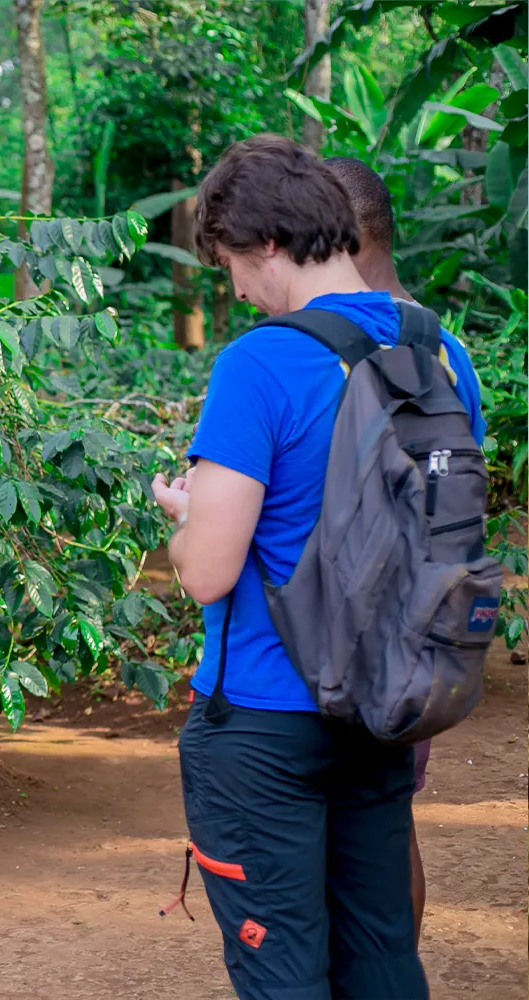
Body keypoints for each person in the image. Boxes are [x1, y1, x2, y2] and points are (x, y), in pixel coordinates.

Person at [152, 135, 484, 1000]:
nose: (233, 288)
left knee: (281, 967)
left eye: (228, 262)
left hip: (264, 718)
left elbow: (208, 574)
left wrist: (185, 521)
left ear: (265, 243)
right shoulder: (444, 355)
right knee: (380, 952)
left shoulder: (261, 362)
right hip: (382, 700)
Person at [326, 154, 470, 942]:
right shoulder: (450, 351)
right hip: (423, 634)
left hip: (342, 636)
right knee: (388, 826)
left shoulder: (326, 347)